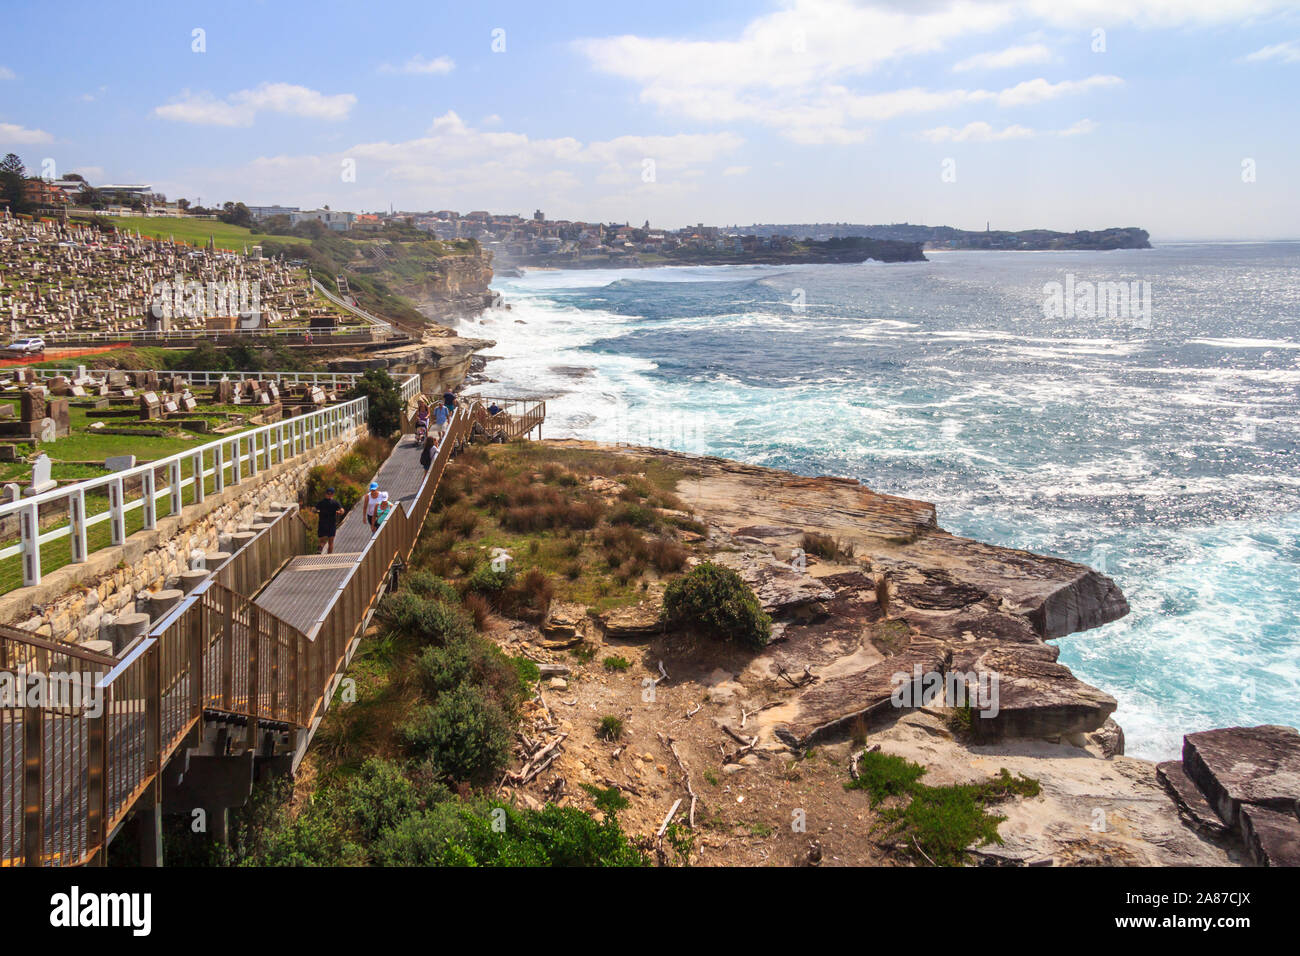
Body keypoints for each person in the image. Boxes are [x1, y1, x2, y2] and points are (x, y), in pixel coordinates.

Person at [314, 486, 344, 554]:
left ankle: (320, 548)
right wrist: (339, 512)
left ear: (326, 493)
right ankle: (329, 556)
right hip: (331, 524)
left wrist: (317, 511)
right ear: (333, 494)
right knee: (331, 542)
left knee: (322, 541)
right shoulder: (335, 503)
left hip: (322, 523)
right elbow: (342, 511)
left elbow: (314, 509)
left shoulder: (321, 502)